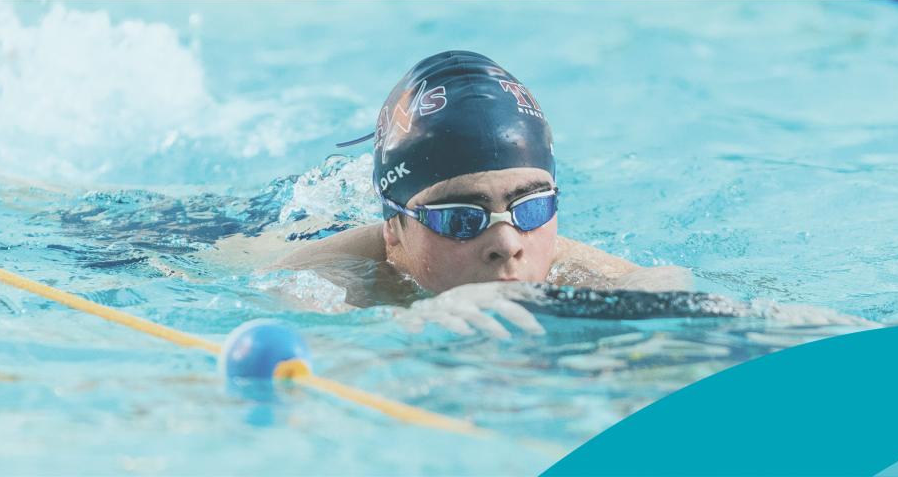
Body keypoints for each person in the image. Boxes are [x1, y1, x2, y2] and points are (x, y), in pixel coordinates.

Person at [267, 50, 859, 338]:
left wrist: (758, 323)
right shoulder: (333, 273)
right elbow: (314, 340)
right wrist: (414, 324)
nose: (507, 243)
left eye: (531, 205)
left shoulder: (556, 255)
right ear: (395, 230)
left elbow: (652, 288)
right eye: (458, 218)